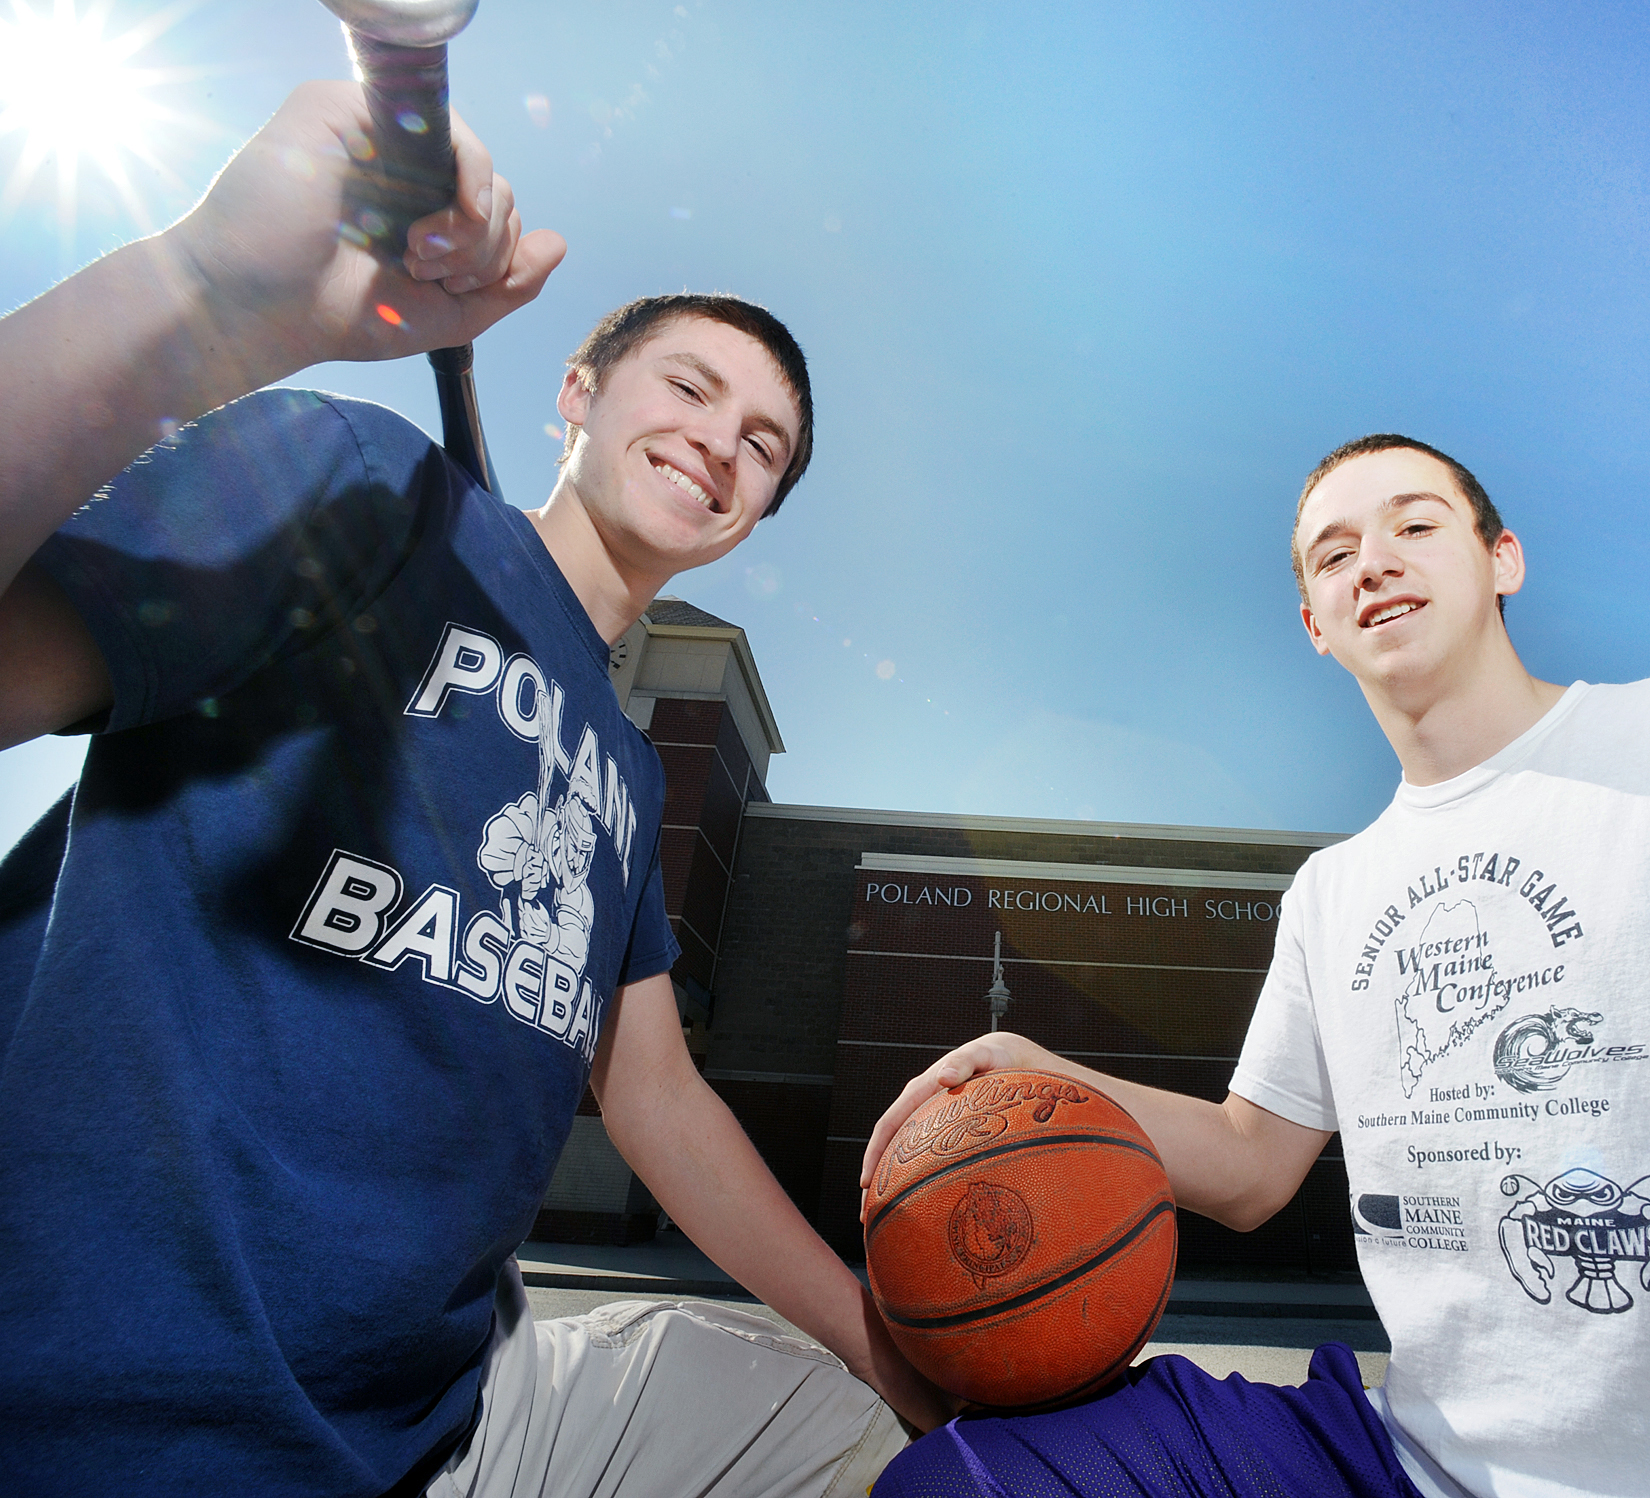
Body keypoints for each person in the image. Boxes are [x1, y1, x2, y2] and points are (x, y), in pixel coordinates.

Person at [0, 80, 949, 1496]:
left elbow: (658, 1098)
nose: (720, 440)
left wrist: (881, 1345)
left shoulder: (627, 771)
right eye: (690, 387)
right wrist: (208, 293)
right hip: (107, 1400)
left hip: (444, 1419)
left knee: (872, 1434)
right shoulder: (370, 491)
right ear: (578, 390)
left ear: (752, 515)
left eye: (763, 445)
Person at [863, 435, 1649, 1498]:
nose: (1373, 561)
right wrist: (1030, 1065)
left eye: (1416, 525)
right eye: (1335, 554)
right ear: (1316, 624)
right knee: (961, 1482)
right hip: (1410, 1462)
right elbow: (1249, 1169)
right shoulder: (1333, 891)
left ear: (1502, 559)